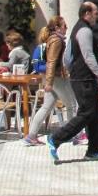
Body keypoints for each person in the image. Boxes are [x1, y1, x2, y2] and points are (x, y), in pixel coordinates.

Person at [47, 1, 98, 162]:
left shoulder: (79, 28)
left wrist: (72, 70)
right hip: (83, 79)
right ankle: (55, 138)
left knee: (95, 114)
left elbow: (67, 57)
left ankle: (94, 151)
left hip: (82, 77)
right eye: (96, 13)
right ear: (87, 14)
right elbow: (88, 55)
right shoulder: (84, 31)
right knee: (87, 113)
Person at [24, 17, 82, 145]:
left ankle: (31, 136)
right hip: (58, 78)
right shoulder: (57, 41)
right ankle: (76, 135)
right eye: (64, 25)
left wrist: (48, 81)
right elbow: (51, 62)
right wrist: (49, 82)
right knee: (72, 105)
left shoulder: (53, 39)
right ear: (57, 28)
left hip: (51, 78)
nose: (66, 28)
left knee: (46, 107)